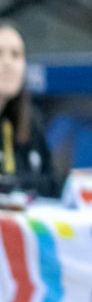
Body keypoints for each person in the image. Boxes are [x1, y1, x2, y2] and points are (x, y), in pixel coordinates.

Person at [0, 21, 58, 198]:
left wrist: (13, 183)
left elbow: (53, 184)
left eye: (16, 55)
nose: (8, 63)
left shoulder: (30, 120)